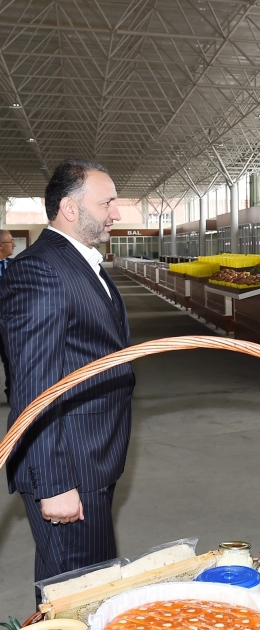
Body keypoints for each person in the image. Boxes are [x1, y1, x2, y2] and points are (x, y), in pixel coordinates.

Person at [0, 159, 133, 596]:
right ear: (69, 209)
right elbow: (34, 386)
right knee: (73, 594)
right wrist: (55, 485)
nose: (116, 212)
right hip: (68, 465)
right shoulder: (40, 271)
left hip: (92, 458)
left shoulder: (79, 263)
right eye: (107, 202)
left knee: (89, 585)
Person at [0, 229, 16, 401]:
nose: (13, 244)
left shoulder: (15, 266)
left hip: (7, 324)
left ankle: (12, 394)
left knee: (11, 360)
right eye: (10, 241)